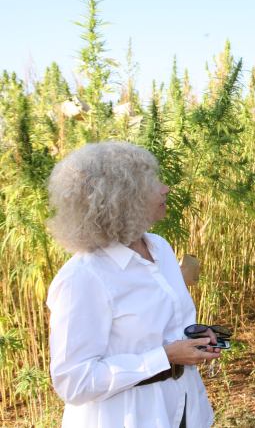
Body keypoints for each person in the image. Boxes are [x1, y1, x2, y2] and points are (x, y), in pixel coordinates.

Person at [46, 141, 221, 428]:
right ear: (123, 199)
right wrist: (164, 357)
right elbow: (74, 382)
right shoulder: (83, 277)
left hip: (183, 408)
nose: (165, 188)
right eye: (153, 183)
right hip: (128, 418)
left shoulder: (160, 248)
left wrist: (196, 338)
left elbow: (161, 328)